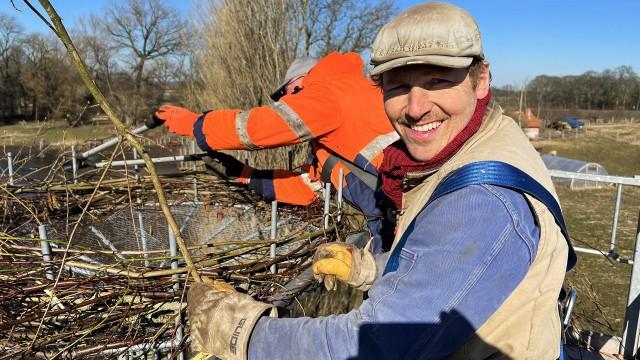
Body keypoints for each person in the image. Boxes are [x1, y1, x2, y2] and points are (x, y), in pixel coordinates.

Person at [187, 2, 575, 359]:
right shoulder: (480, 142)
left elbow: (373, 345)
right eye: (398, 86)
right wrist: (369, 268)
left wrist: (241, 331)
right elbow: (446, 255)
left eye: (438, 80)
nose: (416, 107)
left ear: (481, 79)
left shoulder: (482, 201)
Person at [154, 52, 399, 253]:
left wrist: (195, 124)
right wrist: (245, 174)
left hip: (399, 213)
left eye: (287, 93)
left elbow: (257, 128)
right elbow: (309, 189)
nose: (284, 101)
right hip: (391, 213)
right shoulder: (332, 137)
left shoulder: (329, 92)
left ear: (302, 81)